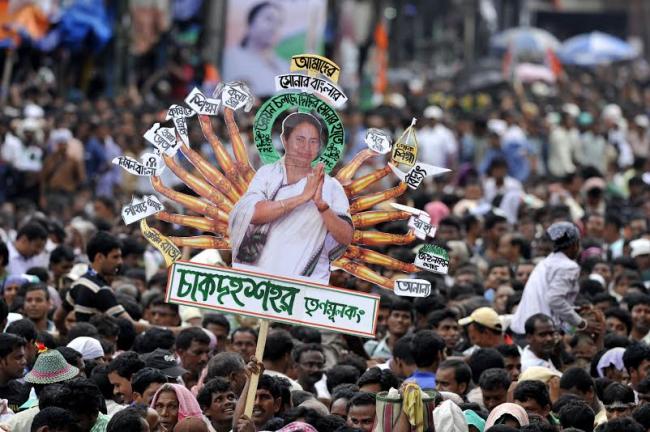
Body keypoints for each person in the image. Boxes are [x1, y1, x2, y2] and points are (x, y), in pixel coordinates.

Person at [229, 112, 352, 284]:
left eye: (313, 141)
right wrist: (302, 197)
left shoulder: (331, 186)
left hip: (306, 283)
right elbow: (253, 214)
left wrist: (322, 206)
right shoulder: (267, 174)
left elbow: (346, 237)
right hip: (257, 278)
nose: (306, 147)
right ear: (284, 140)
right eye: (300, 139)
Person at [511, 222, 591, 335]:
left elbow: (547, 300)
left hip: (523, 330)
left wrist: (572, 309)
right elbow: (554, 300)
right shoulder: (568, 266)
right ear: (575, 245)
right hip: (541, 332)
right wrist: (581, 323)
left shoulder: (544, 263)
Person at [54, 232, 142, 332]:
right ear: (99, 257)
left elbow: (57, 318)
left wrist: (70, 334)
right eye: (115, 257)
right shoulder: (100, 289)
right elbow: (131, 325)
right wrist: (156, 329)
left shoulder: (78, 283)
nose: (120, 262)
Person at [222, 1, 289, 96]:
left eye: (279, 23)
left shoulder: (284, 66)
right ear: (251, 23)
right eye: (269, 19)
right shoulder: (230, 57)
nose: (274, 27)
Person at [0, 333, 29, 412]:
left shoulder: (21, 391)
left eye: (23, 356)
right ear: (1, 361)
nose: (24, 361)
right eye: (18, 357)